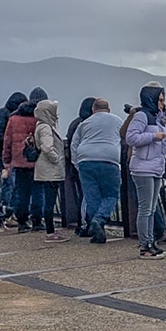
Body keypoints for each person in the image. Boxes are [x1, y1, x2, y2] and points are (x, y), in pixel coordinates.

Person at [124, 82, 166, 259]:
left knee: (150, 208)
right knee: (145, 208)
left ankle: (151, 242)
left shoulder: (158, 119)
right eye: (160, 100)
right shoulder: (142, 116)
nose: (162, 104)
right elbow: (131, 137)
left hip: (155, 167)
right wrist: (153, 136)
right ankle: (145, 246)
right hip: (142, 168)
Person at [70, 99, 123, 244]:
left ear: (93, 110)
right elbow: (125, 139)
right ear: (109, 109)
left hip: (85, 160)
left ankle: (97, 228)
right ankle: (99, 220)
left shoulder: (85, 123)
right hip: (109, 159)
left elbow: (74, 144)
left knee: (91, 195)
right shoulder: (118, 121)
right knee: (111, 194)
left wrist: (77, 163)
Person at [2, 91, 41, 233]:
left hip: (19, 161)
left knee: (21, 193)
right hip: (37, 161)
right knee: (38, 192)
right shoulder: (39, 118)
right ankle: (37, 221)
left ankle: (22, 222)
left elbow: (7, 142)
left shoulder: (13, 119)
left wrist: (7, 161)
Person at [32, 99, 67, 242]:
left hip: (44, 168)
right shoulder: (46, 127)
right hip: (50, 169)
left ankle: (50, 229)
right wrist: (56, 158)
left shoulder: (39, 125)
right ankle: (50, 232)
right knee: (50, 201)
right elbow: (47, 147)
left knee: (48, 200)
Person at [0, 91, 27, 208]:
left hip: (4, 153)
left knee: (11, 181)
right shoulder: (5, 115)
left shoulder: (2, 114)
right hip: (3, 154)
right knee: (10, 181)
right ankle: (7, 207)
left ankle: (9, 207)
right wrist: (10, 143)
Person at [65, 97, 96, 235]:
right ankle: (85, 224)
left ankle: (84, 222)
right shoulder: (87, 125)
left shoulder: (75, 124)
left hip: (75, 165)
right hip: (84, 165)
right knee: (87, 196)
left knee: (83, 196)